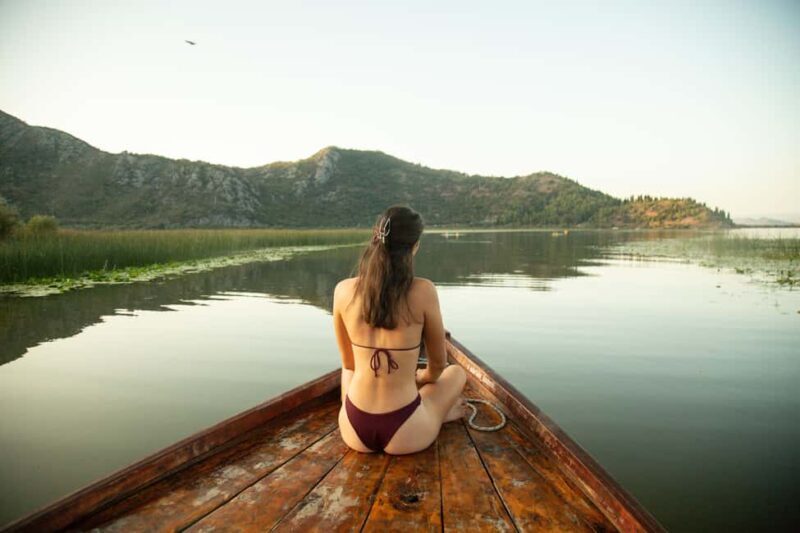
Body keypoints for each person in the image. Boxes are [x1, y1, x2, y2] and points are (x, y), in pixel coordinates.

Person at [332, 205, 468, 454]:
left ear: (375, 239)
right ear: (414, 246)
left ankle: (427, 413)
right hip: (407, 431)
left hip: (352, 428)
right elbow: (437, 366)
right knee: (456, 373)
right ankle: (438, 416)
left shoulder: (342, 290)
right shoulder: (424, 291)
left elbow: (349, 365)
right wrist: (420, 378)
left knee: (350, 369)